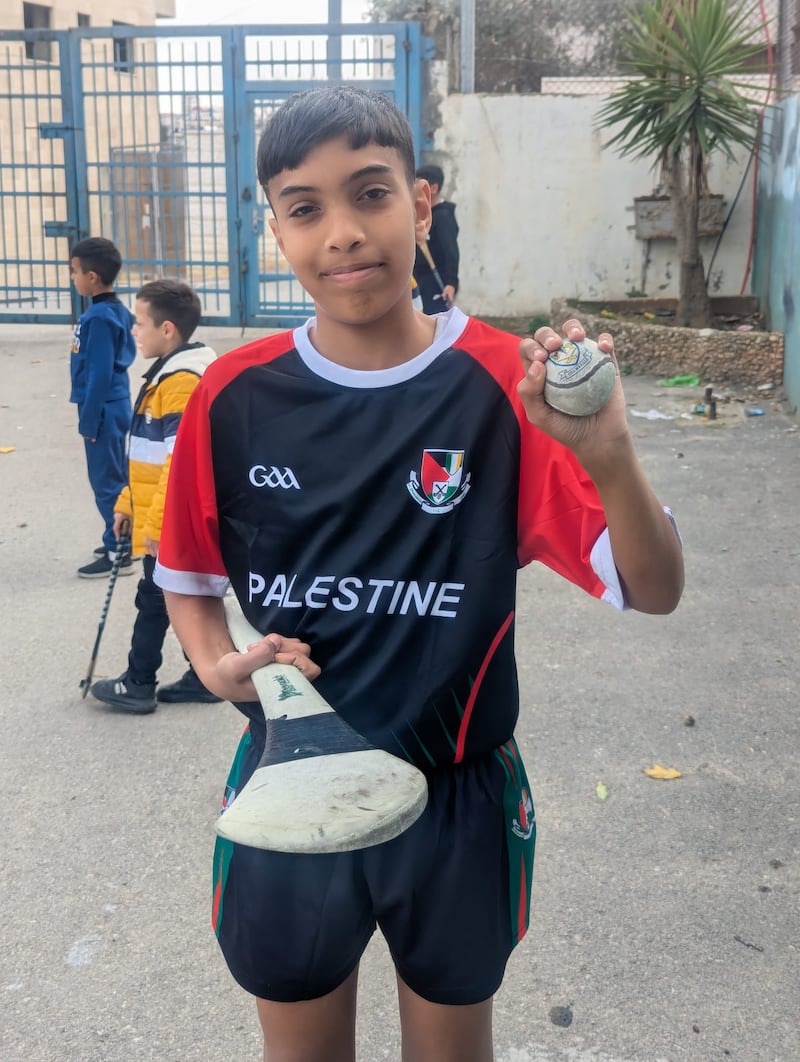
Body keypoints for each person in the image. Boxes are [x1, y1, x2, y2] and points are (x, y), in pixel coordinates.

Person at [153, 86, 684, 1061]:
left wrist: (608, 457)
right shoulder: (232, 396)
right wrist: (214, 662)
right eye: (305, 207)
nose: (343, 233)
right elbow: (184, 576)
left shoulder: (500, 384)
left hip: (457, 800)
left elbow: (653, 586)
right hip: (291, 784)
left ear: (421, 204)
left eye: (370, 194)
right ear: (273, 227)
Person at [89, 279, 221, 714]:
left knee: (155, 599)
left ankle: (139, 682)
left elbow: (178, 463)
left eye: (139, 324)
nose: (133, 333)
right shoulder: (168, 371)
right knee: (174, 597)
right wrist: (127, 503)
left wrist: (157, 525)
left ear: (167, 329)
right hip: (159, 512)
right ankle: (204, 675)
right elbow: (146, 453)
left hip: (170, 521)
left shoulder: (180, 382)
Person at [69, 237, 137, 578]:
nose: (73, 278)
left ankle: (118, 552)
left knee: (106, 481)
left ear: (92, 277)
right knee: (120, 477)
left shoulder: (97, 317)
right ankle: (126, 537)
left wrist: (88, 420)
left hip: (103, 409)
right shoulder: (117, 310)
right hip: (117, 403)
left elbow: (97, 373)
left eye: (75, 271)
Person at [413, 162, 459, 313]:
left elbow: (451, 251)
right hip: (418, 281)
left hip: (436, 283)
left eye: (418, 185)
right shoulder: (419, 214)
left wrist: (451, 283)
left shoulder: (443, 217)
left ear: (433, 189)